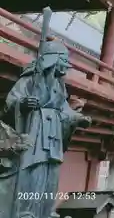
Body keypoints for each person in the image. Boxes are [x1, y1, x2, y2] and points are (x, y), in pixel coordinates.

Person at [2, 38, 91, 218]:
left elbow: (64, 111)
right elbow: (10, 104)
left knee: (51, 176)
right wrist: (23, 104)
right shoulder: (30, 80)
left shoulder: (59, 86)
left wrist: (77, 118)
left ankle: (45, 211)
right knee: (32, 173)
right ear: (52, 61)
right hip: (35, 132)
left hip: (54, 136)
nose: (65, 68)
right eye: (62, 62)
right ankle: (24, 213)